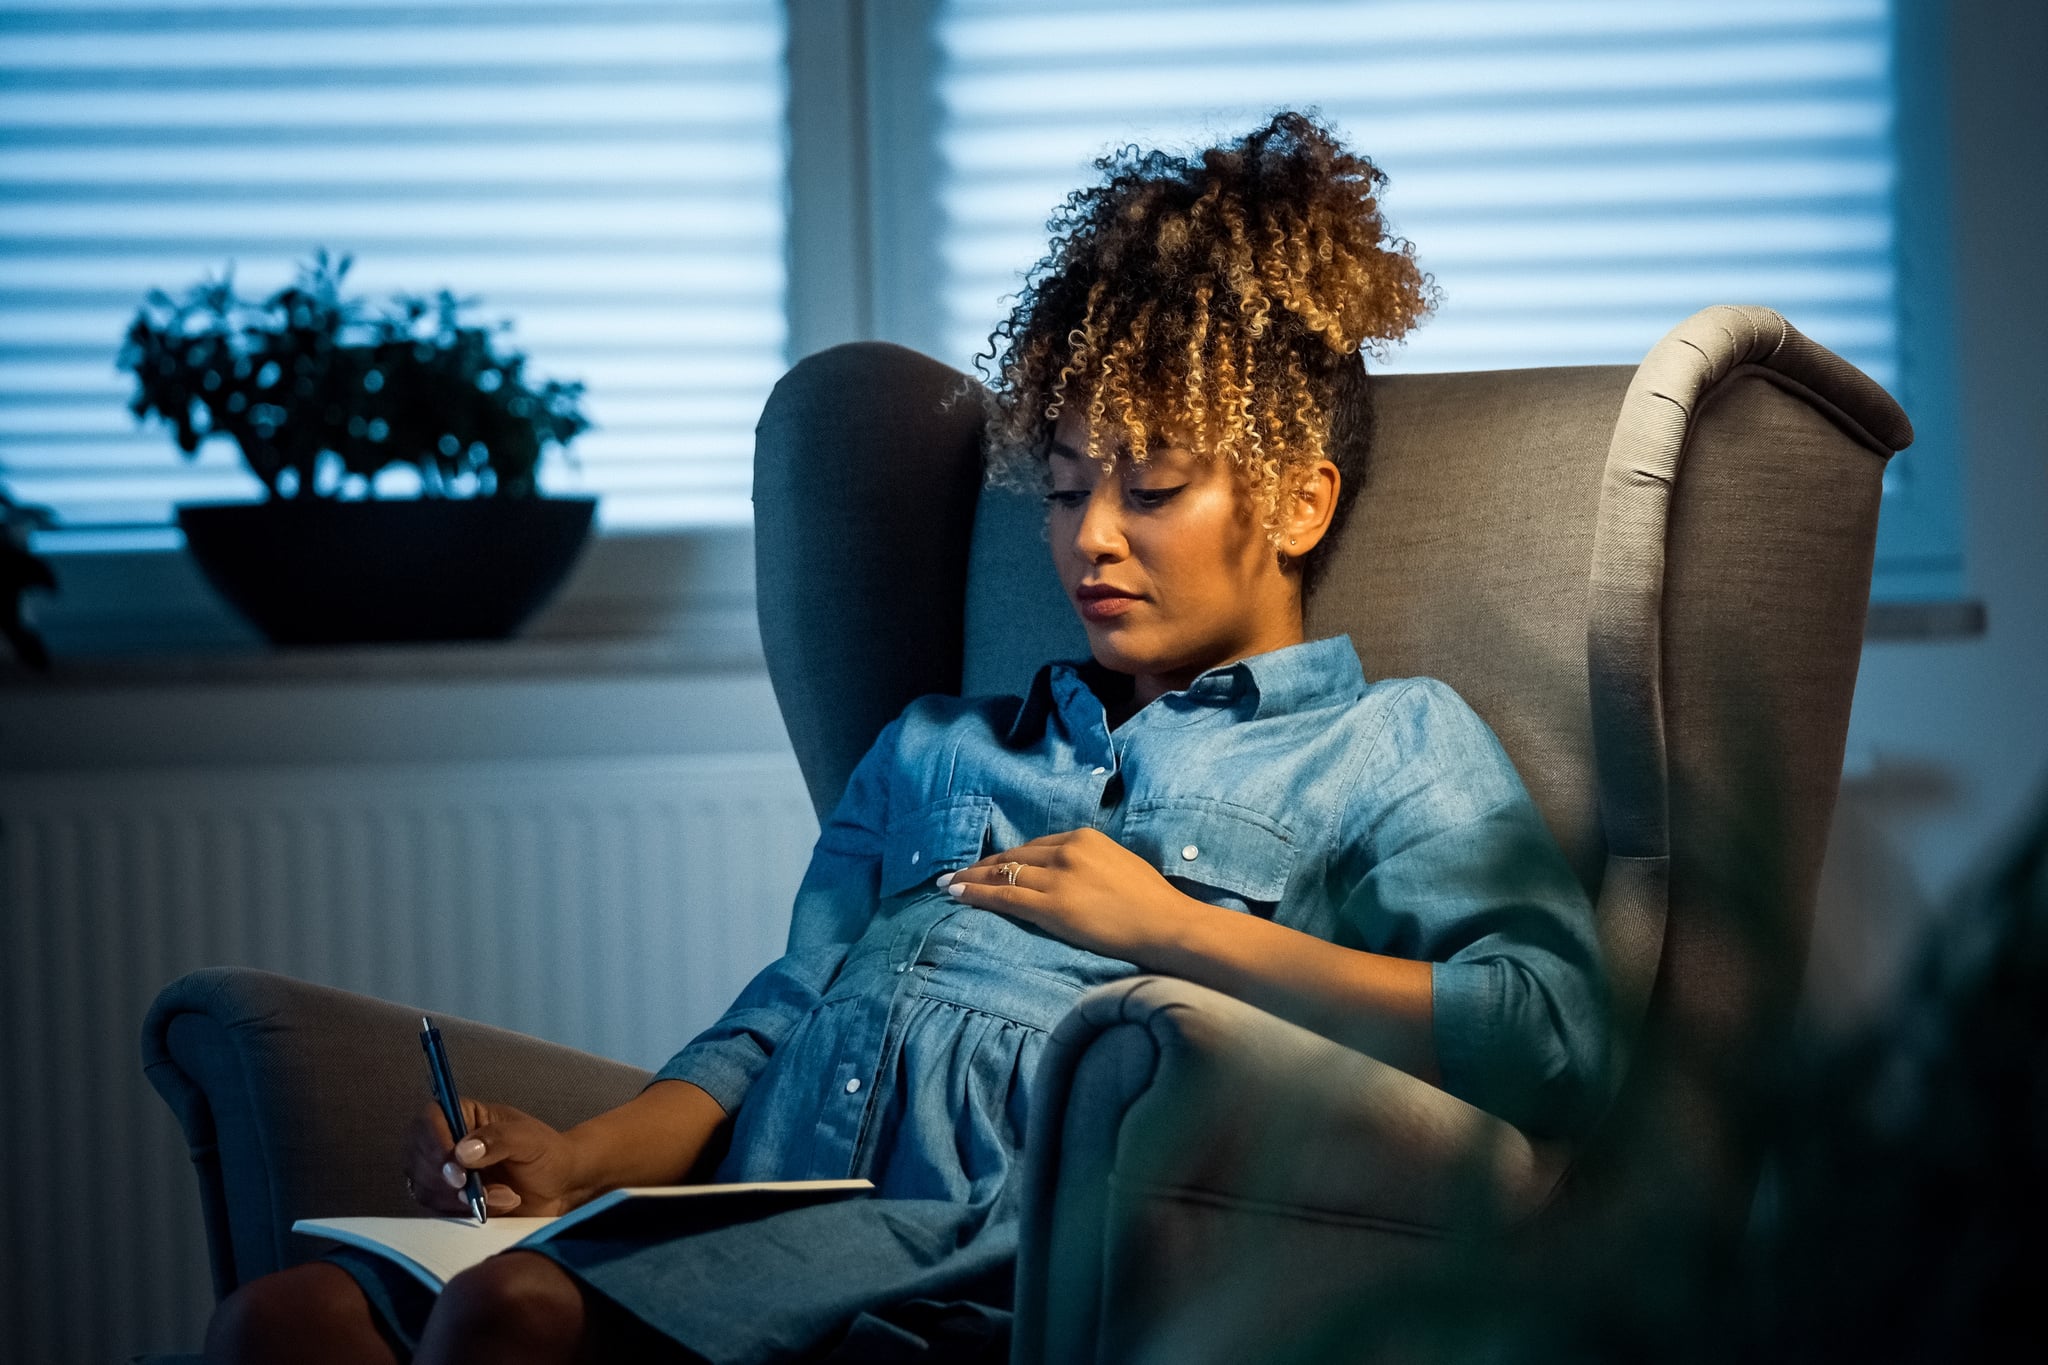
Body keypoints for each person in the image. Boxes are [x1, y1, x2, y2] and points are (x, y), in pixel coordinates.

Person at [203, 111, 1608, 1365]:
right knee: (286, 1316)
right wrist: (580, 1158)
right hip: (739, 1228)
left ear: (1299, 505)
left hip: (975, 1267)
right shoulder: (937, 747)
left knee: (505, 1322)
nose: (1090, 539)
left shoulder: (1389, 744)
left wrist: (1175, 929)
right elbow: (778, 1015)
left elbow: (1554, 1035)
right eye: (1062, 491)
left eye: (1152, 487)